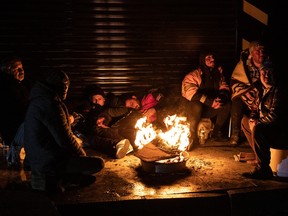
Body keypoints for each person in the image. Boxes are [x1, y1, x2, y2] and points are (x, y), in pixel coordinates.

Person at [24, 69, 105, 194]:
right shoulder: (50, 104)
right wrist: (81, 155)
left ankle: (63, 177)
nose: (66, 89)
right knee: (98, 163)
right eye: (64, 85)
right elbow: (64, 139)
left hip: (38, 157)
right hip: (47, 160)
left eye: (67, 85)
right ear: (55, 85)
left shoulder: (40, 100)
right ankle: (61, 178)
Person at [241, 61, 288, 179]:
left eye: (269, 73)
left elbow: (276, 116)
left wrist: (258, 123)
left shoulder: (279, 90)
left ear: (275, 74)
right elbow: (256, 108)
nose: (266, 76)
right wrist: (252, 117)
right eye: (264, 73)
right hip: (265, 126)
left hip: (280, 131)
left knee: (258, 129)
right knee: (245, 122)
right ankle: (259, 158)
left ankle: (263, 169)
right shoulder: (262, 89)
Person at [181, 50, 231, 149]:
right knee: (196, 105)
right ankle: (193, 136)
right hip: (193, 109)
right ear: (202, 60)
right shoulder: (194, 75)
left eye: (213, 57)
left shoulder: (218, 73)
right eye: (208, 58)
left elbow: (224, 87)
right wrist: (209, 101)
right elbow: (190, 93)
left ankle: (215, 133)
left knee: (227, 104)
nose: (212, 59)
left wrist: (221, 98)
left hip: (211, 107)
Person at [73, 86, 136, 159]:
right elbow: (84, 115)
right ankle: (116, 146)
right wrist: (95, 120)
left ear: (104, 99)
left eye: (99, 99)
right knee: (93, 137)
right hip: (90, 128)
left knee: (101, 131)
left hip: (102, 126)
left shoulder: (109, 106)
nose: (97, 101)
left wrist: (104, 118)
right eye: (94, 99)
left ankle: (122, 144)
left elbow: (123, 109)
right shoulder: (88, 107)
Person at [229, 40, 268, 145]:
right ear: (251, 54)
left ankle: (260, 134)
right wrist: (245, 92)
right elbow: (234, 82)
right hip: (246, 96)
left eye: (262, 51)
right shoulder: (243, 66)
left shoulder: (269, 65)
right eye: (257, 51)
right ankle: (235, 133)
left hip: (263, 94)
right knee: (236, 101)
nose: (261, 53)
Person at [0, 55, 33, 147]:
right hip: (15, 130)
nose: (21, 71)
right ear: (8, 70)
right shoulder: (7, 88)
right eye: (17, 68)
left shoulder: (23, 84)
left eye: (21, 68)